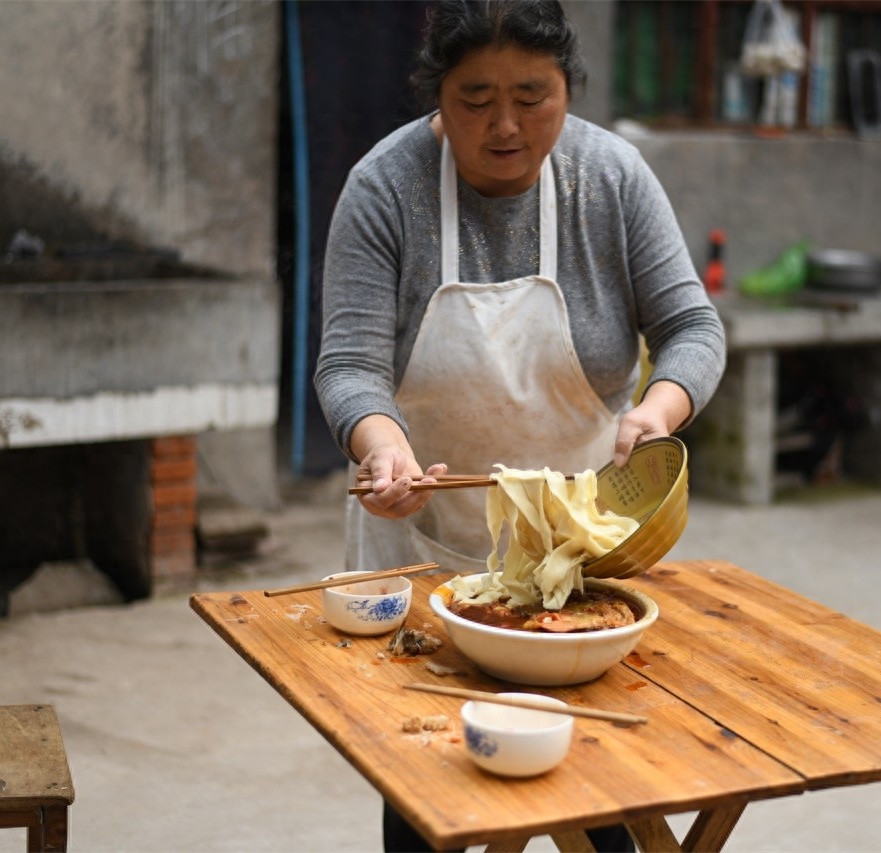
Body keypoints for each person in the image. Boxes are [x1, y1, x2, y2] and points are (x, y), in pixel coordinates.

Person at [314, 2, 725, 850]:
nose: (505, 125)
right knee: (436, 800)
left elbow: (693, 328)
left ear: (569, 85)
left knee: (604, 792)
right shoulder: (384, 186)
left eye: (533, 96)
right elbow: (349, 363)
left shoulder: (610, 178)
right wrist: (383, 448)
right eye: (475, 99)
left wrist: (658, 408)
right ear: (436, 95)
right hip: (423, 552)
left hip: (578, 562)